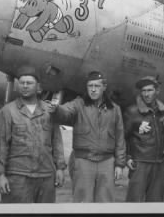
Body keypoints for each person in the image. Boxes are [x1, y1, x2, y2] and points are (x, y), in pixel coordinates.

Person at [47, 71, 126, 202]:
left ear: (104, 87)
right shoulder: (79, 104)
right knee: (82, 202)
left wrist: (119, 164)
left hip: (107, 162)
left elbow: (120, 138)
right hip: (84, 161)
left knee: (105, 203)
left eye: (97, 86)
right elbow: (65, 111)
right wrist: (56, 109)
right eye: (90, 86)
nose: (93, 90)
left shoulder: (115, 109)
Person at [0, 66, 66, 203]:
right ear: (17, 86)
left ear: (38, 87)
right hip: (18, 177)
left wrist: (60, 168)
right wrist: (0, 175)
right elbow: (1, 146)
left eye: (29, 83)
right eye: (22, 83)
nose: (25, 86)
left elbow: (57, 141)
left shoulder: (49, 111)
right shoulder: (8, 111)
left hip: (46, 176)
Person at [123, 76, 164, 202]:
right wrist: (127, 157)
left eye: (149, 90)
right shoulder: (132, 112)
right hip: (139, 164)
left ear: (157, 91)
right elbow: (123, 137)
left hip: (158, 164)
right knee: (134, 203)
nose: (146, 94)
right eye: (143, 91)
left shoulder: (163, 111)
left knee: (155, 203)